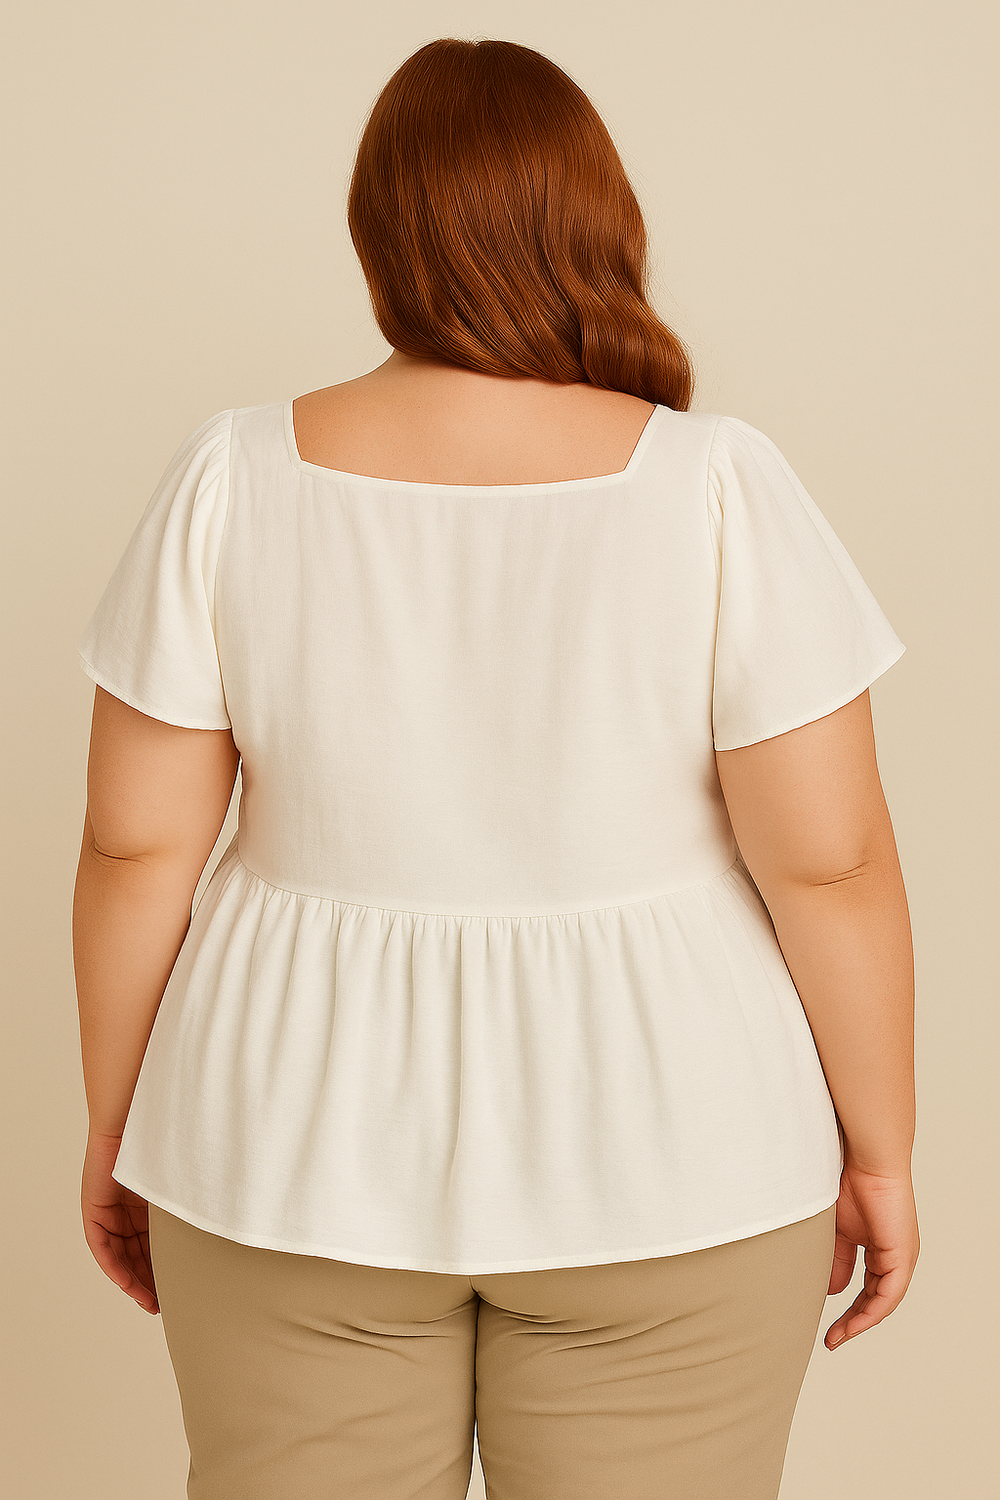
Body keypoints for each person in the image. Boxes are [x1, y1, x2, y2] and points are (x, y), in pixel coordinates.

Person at [72, 35, 918, 1500]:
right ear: (600, 220)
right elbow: (830, 864)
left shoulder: (232, 477)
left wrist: (117, 1123)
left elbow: (137, 849)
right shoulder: (715, 485)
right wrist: (882, 1150)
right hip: (678, 1144)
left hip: (286, 1141)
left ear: (376, 233)